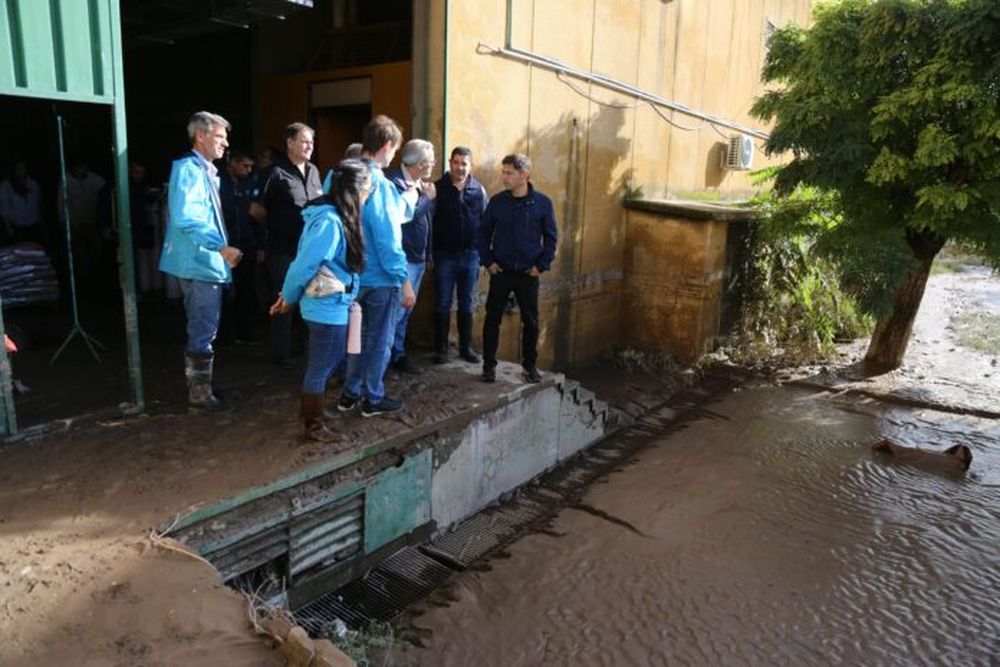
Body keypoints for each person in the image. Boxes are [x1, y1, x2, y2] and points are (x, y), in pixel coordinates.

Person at [271, 160, 369, 440]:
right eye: (367, 191)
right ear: (354, 191)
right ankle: (312, 424)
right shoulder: (329, 222)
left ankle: (315, 411)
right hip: (325, 307)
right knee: (321, 364)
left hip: (333, 304)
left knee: (327, 360)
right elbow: (304, 266)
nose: (368, 197)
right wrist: (287, 298)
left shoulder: (337, 216)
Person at [159, 111, 243, 410]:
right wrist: (220, 247)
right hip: (200, 262)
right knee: (203, 327)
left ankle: (204, 384)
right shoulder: (189, 170)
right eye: (220, 137)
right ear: (201, 136)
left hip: (205, 263)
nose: (225, 143)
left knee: (206, 326)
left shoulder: (206, 171)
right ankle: (199, 394)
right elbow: (188, 218)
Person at [338, 115, 416, 417]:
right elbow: (387, 239)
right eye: (394, 151)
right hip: (380, 279)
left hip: (350, 274)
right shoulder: (379, 184)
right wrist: (404, 279)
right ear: (385, 146)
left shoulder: (343, 176)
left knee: (354, 339)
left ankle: (350, 394)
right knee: (378, 340)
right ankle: (373, 397)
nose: (393, 156)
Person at [478, 153, 557, 384]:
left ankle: (530, 367)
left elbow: (551, 238)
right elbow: (482, 234)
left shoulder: (543, 203)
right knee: (492, 319)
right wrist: (489, 262)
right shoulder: (497, 202)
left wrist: (540, 266)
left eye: (509, 173)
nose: (504, 177)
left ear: (524, 174)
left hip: (527, 274)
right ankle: (488, 366)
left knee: (531, 322)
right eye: (503, 172)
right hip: (500, 272)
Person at [252, 123, 324, 368]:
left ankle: (307, 349)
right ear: (290, 143)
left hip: (309, 250)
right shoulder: (275, 173)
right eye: (304, 141)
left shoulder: (314, 170)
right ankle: (280, 354)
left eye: (311, 142)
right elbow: (256, 209)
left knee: (311, 298)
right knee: (284, 299)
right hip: (283, 249)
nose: (309, 146)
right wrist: (273, 228)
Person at [431, 146, 488, 364]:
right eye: (456, 162)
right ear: (450, 163)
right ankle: (441, 350)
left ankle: (466, 348)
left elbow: (486, 222)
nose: (460, 167)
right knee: (442, 302)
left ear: (470, 165)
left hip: (471, 256)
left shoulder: (478, 190)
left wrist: (483, 253)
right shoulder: (438, 188)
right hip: (445, 255)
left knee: (467, 302)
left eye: (464, 163)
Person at [385, 139, 436, 373]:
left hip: (418, 258)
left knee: (406, 312)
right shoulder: (394, 183)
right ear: (420, 163)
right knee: (393, 314)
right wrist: (426, 199)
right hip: (402, 259)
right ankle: (380, 367)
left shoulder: (419, 183)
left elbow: (427, 222)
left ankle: (398, 354)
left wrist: (428, 254)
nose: (433, 164)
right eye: (431, 161)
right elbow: (409, 216)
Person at [219, 149, 263, 344]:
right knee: (222, 291)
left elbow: (257, 217)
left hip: (246, 245)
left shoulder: (251, 183)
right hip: (223, 246)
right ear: (233, 163)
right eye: (244, 165)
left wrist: (260, 245)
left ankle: (245, 332)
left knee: (246, 290)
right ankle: (223, 335)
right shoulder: (217, 181)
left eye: (251, 166)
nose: (248, 169)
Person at [0, 161, 44, 246]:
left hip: (34, 224)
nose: (21, 170)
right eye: (18, 167)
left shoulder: (33, 183)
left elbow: (37, 203)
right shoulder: (6, 186)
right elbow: (4, 208)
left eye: (23, 167)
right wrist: (8, 226)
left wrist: (40, 219)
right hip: (18, 227)